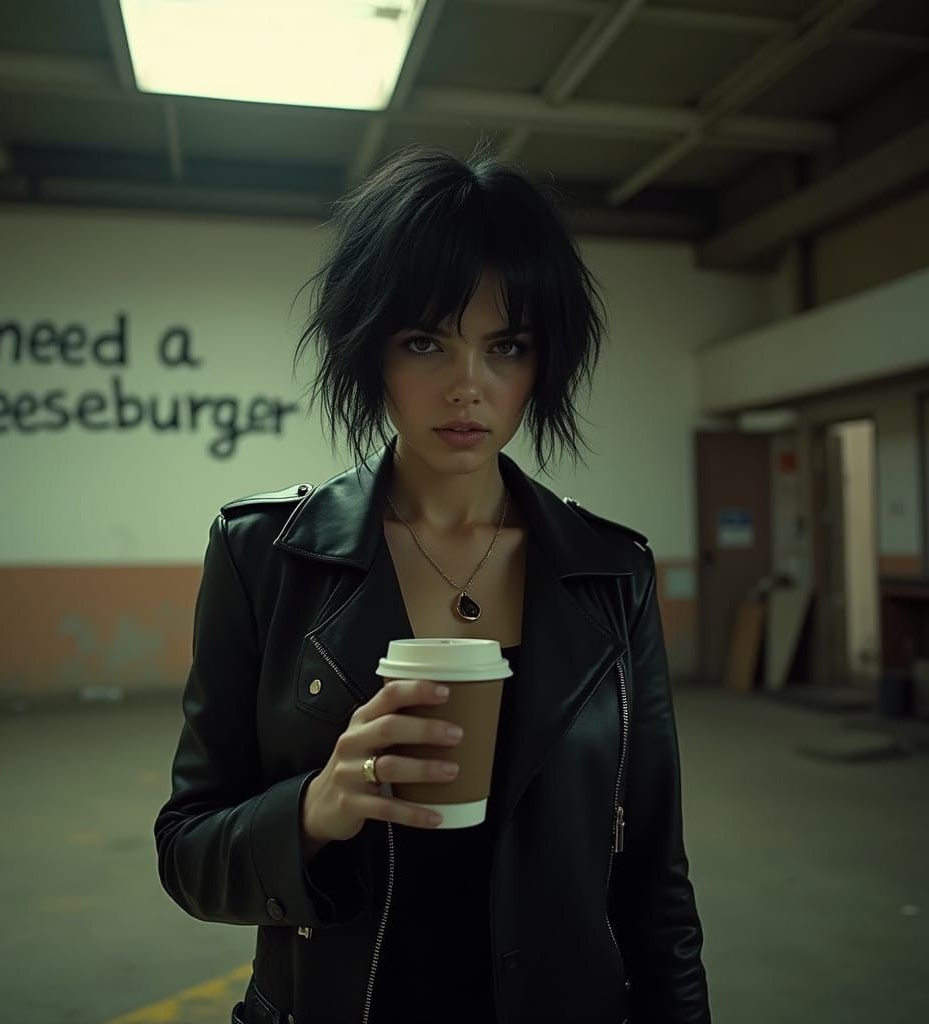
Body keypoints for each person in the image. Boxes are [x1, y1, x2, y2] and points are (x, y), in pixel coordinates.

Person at [153, 141, 711, 1024]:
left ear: (543, 359)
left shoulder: (611, 574)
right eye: (427, 342)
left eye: (506, 346)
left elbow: (653, 878)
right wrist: (315, 806)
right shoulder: (266, 556)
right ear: (371, 350)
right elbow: (189, 852)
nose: (467, 386)